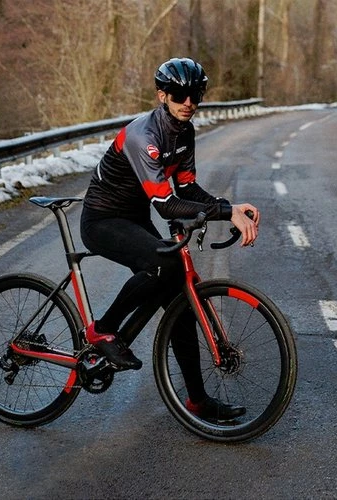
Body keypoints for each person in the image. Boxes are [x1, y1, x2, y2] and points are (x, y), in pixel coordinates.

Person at [80, 57, 259, 420]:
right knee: (163, 264)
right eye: (179, 94)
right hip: (102, 219)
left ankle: (197, 400)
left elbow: (187, 189)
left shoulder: (185, 132)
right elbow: (165, 205)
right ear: (162, 95)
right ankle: (102, 331)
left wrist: (228, 206)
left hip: (134, 218)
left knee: (180, 299)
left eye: (195, 95)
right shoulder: (143, 136)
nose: (188, 102)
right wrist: (225, 213)